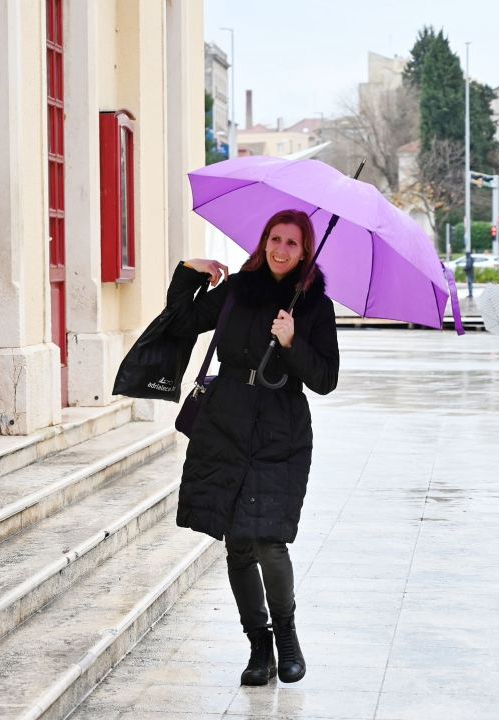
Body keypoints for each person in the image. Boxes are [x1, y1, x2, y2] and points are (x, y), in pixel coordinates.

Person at [163, 209, 340, 687]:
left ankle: (286, 636)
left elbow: (325, 379)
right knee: (238, 543)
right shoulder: (238, 289)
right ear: (264, 242)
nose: (281, 249)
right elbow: (181, 320)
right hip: (225, 423)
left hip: (281, 431)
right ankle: (258, 644)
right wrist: (189, 272)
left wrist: (292, 342)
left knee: (269, 541)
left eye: (292, 243)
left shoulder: (315, 307)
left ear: (305, 252)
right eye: (274, 239)